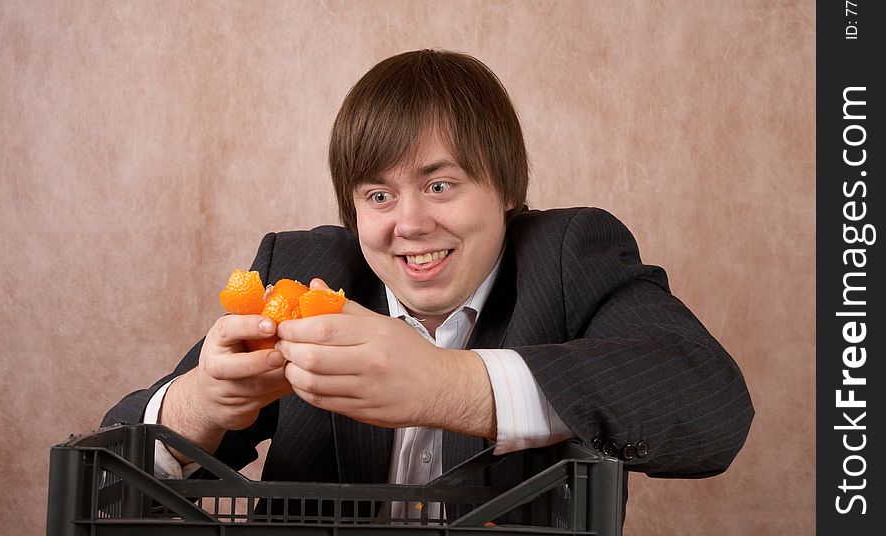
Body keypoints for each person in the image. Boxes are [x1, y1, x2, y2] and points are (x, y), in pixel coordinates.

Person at [103, 49, 754, 525]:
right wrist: (200, 405)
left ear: (506, 192)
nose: (409, 224)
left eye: (440, 186)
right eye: (378, 194)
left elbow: (711, 402)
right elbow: (108, 488)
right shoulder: (302, 272)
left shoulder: (568, 255)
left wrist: (447, 386)